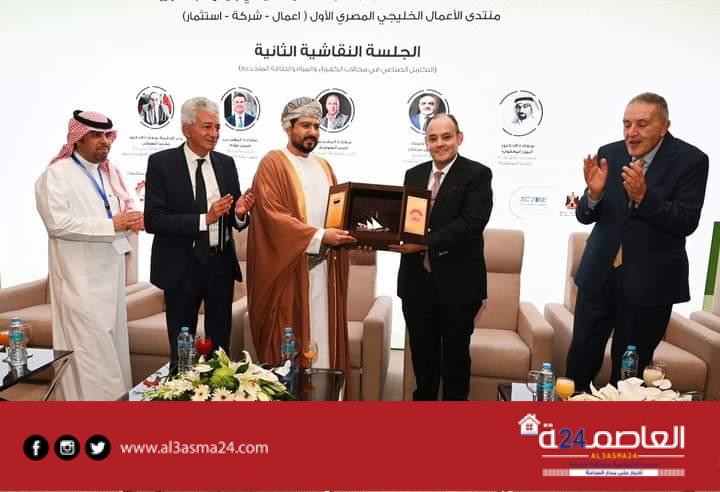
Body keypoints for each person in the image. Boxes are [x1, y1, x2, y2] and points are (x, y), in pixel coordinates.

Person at [566, 92, 709, 390]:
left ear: (664, 126)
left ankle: (621, 420)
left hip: (649, 283)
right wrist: (593, 195)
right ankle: (570, 416)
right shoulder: (609, 153)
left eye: (642, 124)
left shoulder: (691, 160)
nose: (632, 132)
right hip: (599, 275)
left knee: (629, 373)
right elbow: (585, 216)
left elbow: (686, 221)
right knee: (580, 359)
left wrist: (644, 198)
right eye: (626, 124)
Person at [246, 97, 356, 388]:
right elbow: (272, 216)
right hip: (291, 273)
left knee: (324, 342)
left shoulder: (324, 166)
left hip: (325, 270)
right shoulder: (273, 163)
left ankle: (325, 401)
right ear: (288, 127)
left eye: (317, 127)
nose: (313, 132)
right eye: (305, 125)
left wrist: (356, 232)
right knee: (293, 350)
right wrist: (319, 236)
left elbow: (337, 213)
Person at [35, 110, 143, 400]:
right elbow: (57, 224)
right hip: (80, 281)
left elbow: (114, 216)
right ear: (78, 139)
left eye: (107, 135)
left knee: (110, 348)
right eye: (95, 135)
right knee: (91, 352)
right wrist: (112, 225)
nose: (104, 141)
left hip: (110, 276)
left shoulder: (108, 173)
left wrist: (129, 222)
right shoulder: (57, 175)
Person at [144, 97, 254, 366]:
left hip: (220, 265)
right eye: (207, 127)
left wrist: (240, 213)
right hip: (181, 267)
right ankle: (181, 389)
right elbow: (154, 220)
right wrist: (205, 219)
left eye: (217, 127)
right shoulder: (162, 163)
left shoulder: (226, 163)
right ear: (186, 129)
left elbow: (233, 214)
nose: (214, 134)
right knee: (182, 348)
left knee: (220, 348)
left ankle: (219, 389)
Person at [390, 113, 493, 400]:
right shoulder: (413, 174)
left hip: (459, 284)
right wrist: (380, 234)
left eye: (446, 137)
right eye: (432, 138)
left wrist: (423, 244)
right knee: (422, 357)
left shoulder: (477, 174)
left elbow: (472, 223)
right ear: (426, 142)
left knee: (455, 359)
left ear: (459, 138)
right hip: (416, 282)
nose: (439, 144)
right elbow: (407, 221)